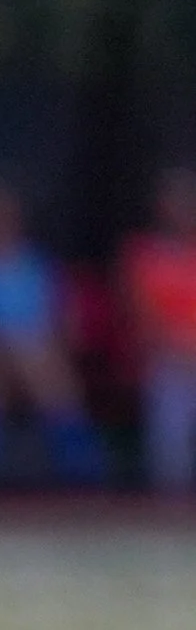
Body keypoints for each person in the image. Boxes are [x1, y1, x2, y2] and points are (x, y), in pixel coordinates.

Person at [0, 183, 104, 485]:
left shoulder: (37, 267)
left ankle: (84, 477)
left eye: (0, 218)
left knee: (47, 372)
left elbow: (61, 324)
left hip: (38, 355)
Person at [120, 169, 196, 499]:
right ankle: (171, 500)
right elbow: (143, 320)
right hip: (166, 362)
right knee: (171, 393)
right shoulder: (143, 255)